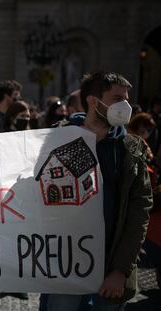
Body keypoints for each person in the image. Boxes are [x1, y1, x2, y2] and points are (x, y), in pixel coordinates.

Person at [44, 72, 152, 311]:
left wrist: (120, 270)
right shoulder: (58, 139)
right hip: (65, 264)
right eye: (117, 98)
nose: (125, 106)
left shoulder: (131, 150)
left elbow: (139, 212)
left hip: (111, 264)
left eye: (126, 99)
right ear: (94, 102)